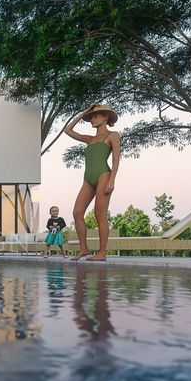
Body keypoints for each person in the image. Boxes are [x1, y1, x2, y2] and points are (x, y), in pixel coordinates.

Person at [63, 104, 121, 262]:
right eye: (91, 117)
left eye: (95, 116)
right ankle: (84, 248)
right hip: (87, 179)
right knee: (77, 213)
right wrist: (84, 113)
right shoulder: (89, 139)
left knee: (99, 215)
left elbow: (116, 159)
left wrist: (112, 179)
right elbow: (67, 130)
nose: (92, 119)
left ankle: (102, 253)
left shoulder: (112, 135)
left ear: (105, 117)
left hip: (104, 175)